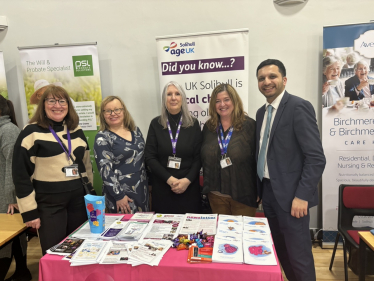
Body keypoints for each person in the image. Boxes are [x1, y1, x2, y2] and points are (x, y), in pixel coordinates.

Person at [256, 59, 325, 281]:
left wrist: (302, 196)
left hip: (293, 197)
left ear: (284, 80)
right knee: (281, 252)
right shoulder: (261, 113)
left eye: (272, 76)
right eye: (261, 78)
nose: (267, 81)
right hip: (268, 193)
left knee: (299, 256)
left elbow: (315, 158)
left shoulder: (298, 106)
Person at [13, 85, 93, 255]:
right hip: (49, 205)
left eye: (62, 101)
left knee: (79, 250)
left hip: (78, 202)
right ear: (43, 104)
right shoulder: (30, 132)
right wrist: (29, 212)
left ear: (68, 105)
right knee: (55, 253)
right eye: (52, 101)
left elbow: (86, 167)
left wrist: (90, 196)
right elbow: (21, 175)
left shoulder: (76, 130)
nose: (58, 105)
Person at [145, 81, 202, 214]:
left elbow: (199, 157)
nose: (173, 98)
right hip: (163, 187)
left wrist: (187, 181)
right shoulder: (156, 123)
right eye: (169, 94)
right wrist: (170, 180)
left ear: (183, 98)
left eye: (177, 94)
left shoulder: (193, 124)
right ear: (164, 99)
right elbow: (150, 156)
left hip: (188, 188)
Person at [201, 84, 257, 216]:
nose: (222, 104)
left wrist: (260, 190)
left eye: (226, 99)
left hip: (244, 196)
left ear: (234, 101)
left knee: (243, 235)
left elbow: (258, 160)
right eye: (217, 101)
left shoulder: (249, 125)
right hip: (215, 196)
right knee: (220, 235)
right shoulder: (209, 127)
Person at [94, 96, 149, 214]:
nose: (113, 114)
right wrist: (119, 196)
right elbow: (105, 171)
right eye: (108, 111)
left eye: (117, 109)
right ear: (103, 114)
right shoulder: (102, 137)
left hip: (141, 190)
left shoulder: (135, 131)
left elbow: (144, 159)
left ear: (123, 111)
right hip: (121, 196)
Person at [0, 96, 32, 281]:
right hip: (5, 195)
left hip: (8, 198)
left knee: (9, 239)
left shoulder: (8, 131)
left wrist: (13, 197)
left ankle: (21, 272)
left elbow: (15, 168)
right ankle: (22, 272)